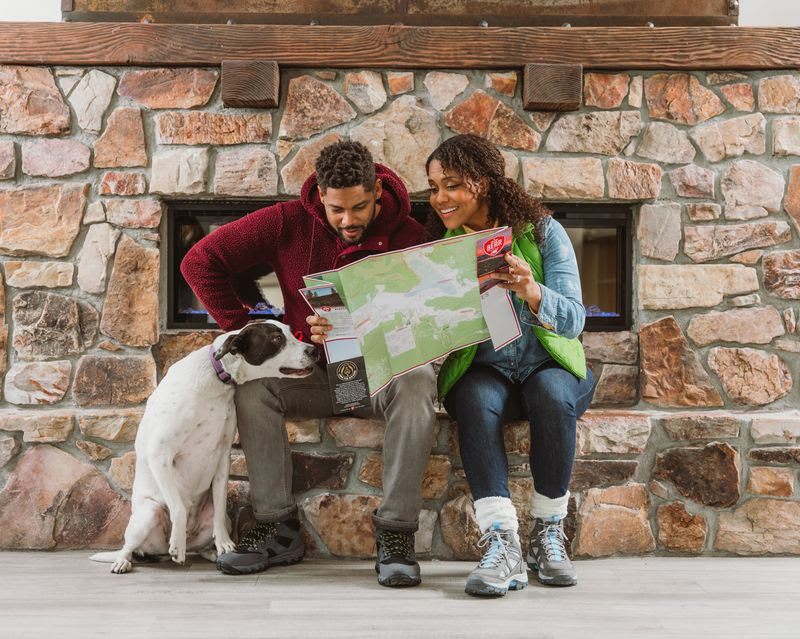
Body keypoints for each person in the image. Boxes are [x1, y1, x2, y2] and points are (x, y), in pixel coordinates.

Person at [181, 140, 437, 588]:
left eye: (359, 207)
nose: (348, 220)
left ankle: (396, 535)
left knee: (418, 379)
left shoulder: (413, 237)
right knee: (253, 386)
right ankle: (278, 526)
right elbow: (199, 262)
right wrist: (258, 334)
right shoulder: (287, 223)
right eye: (337, 209)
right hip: (314, 373)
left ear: (378, 190)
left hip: (382, 375)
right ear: (320, 195)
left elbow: (432, 323)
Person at [425, 134, 596, 597]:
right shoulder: (443, 249)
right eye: (434, 187)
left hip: (549, 361)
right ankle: (502, 543)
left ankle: (547, 533)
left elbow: (576, 320)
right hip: (487, 368)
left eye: (452, 186)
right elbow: (434, 331)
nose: (440, 198)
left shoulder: (542, 232)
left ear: (482, 183)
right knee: (474, 401)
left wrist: (533, 290)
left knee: (552, 395)